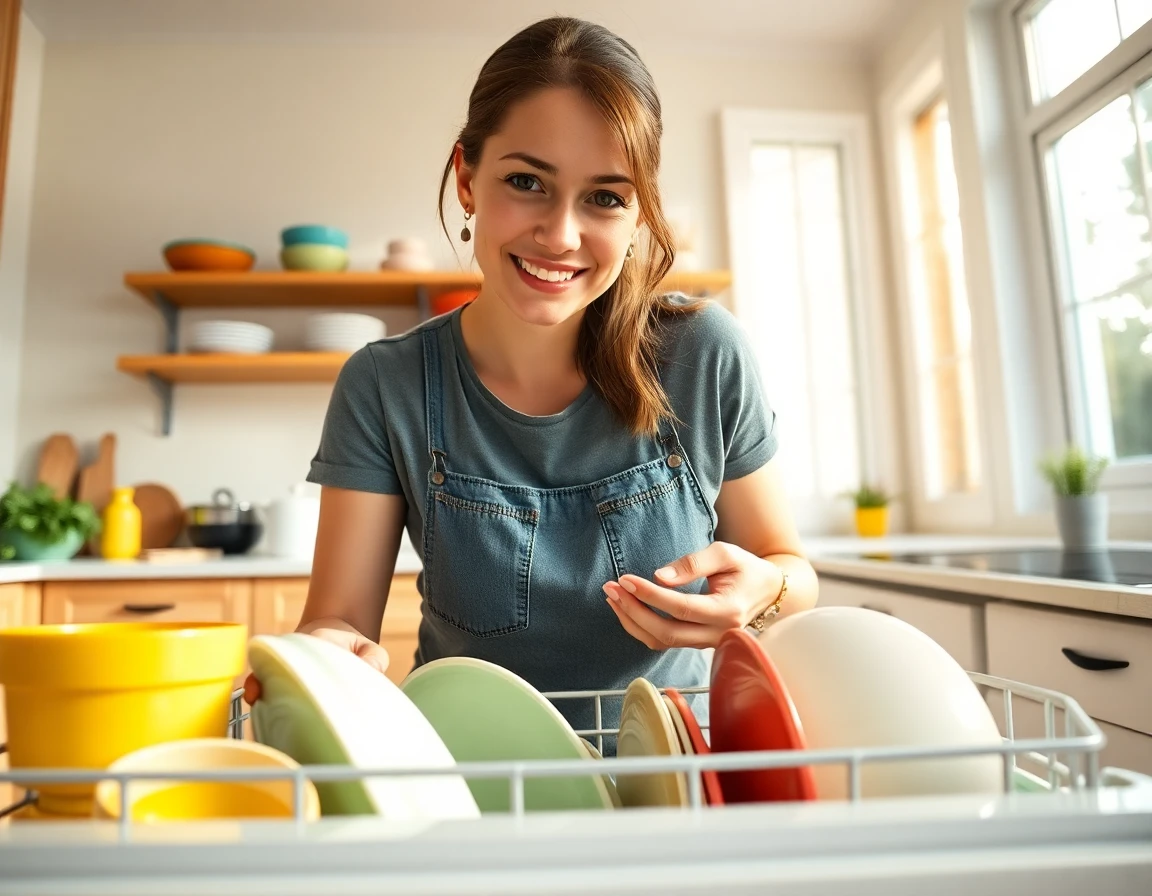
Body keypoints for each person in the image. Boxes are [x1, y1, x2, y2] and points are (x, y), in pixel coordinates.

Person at [244, 16, 817, 748]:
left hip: (681, 781)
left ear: (639, 209)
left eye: (605, 197)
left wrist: (763, 592)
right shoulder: (384, 386)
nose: (562, 234)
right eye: (527, 182)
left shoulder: (703, 354)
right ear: (467, 178)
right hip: (475, 782)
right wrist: (323, 655)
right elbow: (340, 618)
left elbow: (791, 573)